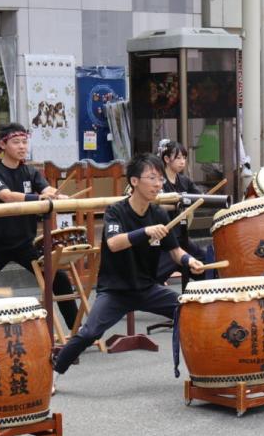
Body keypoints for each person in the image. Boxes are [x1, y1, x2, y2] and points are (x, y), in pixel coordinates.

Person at [51, 154, 206, 388]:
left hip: (147, 288)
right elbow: (114, 243)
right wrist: (145, 232)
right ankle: (52, 374)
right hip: (115, 291)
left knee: (192, 313)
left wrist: (189, 260)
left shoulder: (159, 214)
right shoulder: (116, 211)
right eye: (152, 178)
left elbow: (175, 252)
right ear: (134, 181)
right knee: (89, 332)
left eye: (160, 179)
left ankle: (208, 370)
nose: (158, 184)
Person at [0, 123, 78, 329]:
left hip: (25, 244)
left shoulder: (30, 172)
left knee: (58, 278)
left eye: (25, 142)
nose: (22, 146)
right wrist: (38, 197)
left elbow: (46, 188)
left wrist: (58, 195)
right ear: (2, 145)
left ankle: (78, 331)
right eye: (16, 142)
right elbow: (7, 196)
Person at [155, 139, 212, 284]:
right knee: (151, 278)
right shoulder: (158, 181)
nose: (182, 161)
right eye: (178, 157)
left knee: (206, 264)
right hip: (163, 238)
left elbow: (198, 198)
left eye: (184, 158)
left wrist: (204, 198)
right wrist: (179, 205)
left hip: (181, 236)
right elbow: (155, 205)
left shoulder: (184, 181)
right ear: (167, 159)